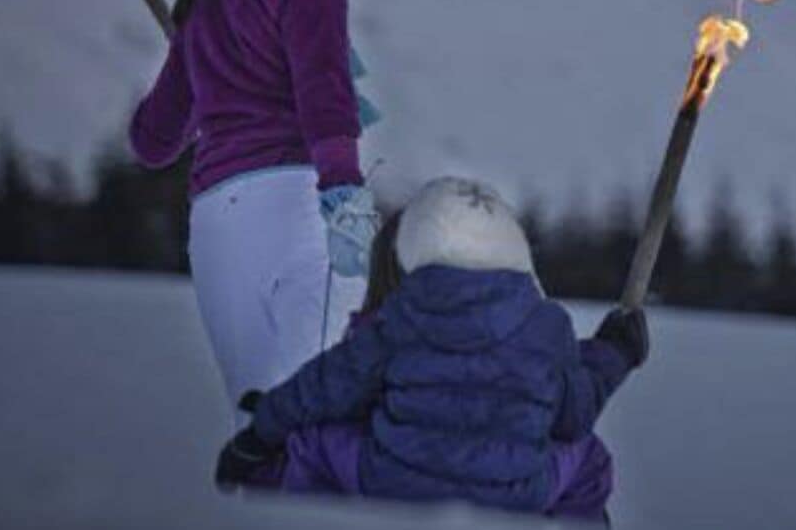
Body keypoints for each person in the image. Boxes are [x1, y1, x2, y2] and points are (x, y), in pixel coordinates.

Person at [129, 0, 382, 425]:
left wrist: (201, 55)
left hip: (217, 224)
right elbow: (326, 93)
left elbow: (154, 140)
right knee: (321, 416)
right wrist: (344, 192)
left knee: (258, 428)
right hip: (297, 207)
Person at [214, 177, 649, 522]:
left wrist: (265, 428)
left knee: (309, 445)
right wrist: (615, 350)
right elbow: (577, 405)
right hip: (519, 493)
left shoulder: (398, 322)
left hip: (392, 483)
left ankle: (285, 509)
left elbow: (329, 389)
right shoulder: (544, 328)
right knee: (587, 458)